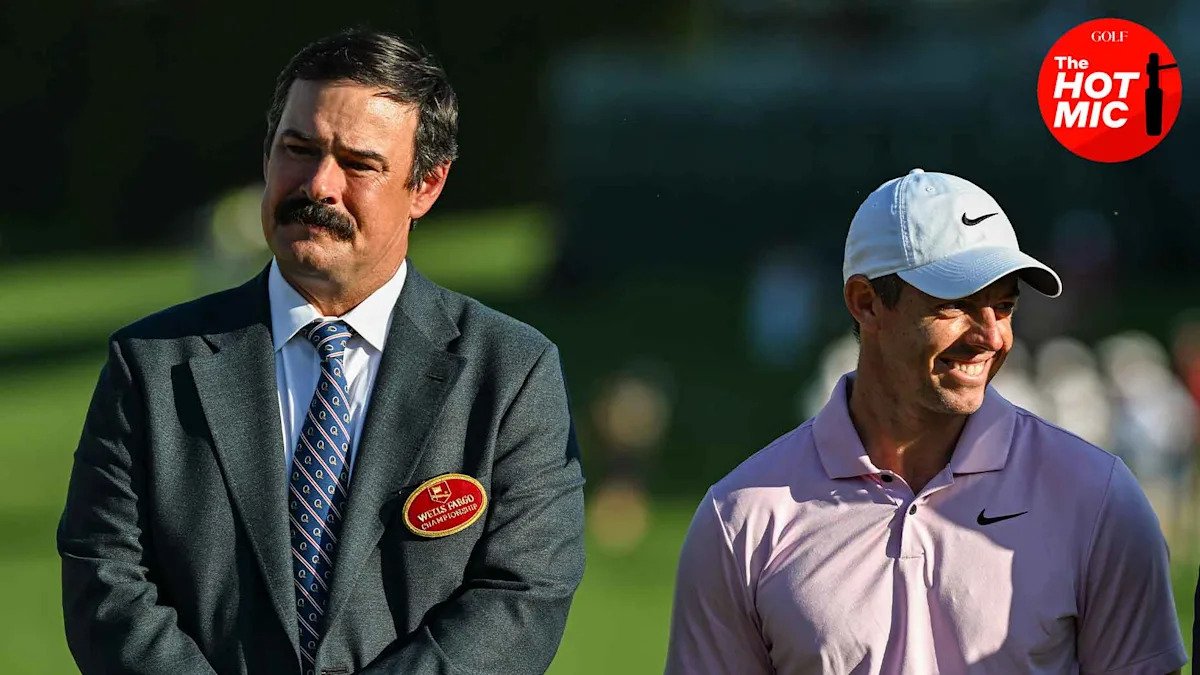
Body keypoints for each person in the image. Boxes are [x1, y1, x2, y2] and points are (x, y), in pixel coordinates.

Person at [58, 29, 585, 675]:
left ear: (426, 185)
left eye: (358, 164)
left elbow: (520, 598)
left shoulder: (511, 373)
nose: (318, 185)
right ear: (267, 154)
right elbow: (106, 583)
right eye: (298, 149)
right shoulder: (150, 366)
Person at [666, 169, 1187, 673]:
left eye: (1004, 306)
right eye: (956, 305)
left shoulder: (1098, 498)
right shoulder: (741, 519)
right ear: (866, 303)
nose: (991, 336)